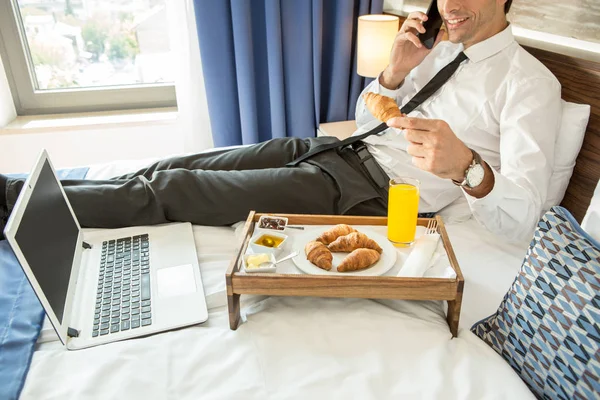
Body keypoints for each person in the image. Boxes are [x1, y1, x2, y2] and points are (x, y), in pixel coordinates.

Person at [0, 0, 561, 243]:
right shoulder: (437, 49)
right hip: (327, 150)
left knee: (174, 191)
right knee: (172, 164)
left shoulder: (530, 84)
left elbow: (528, 216)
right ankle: (35, 195)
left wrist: (468, 169)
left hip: (375, 192)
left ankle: (16, 203)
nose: (451, 5)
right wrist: (392, 73)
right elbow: (373, 109)